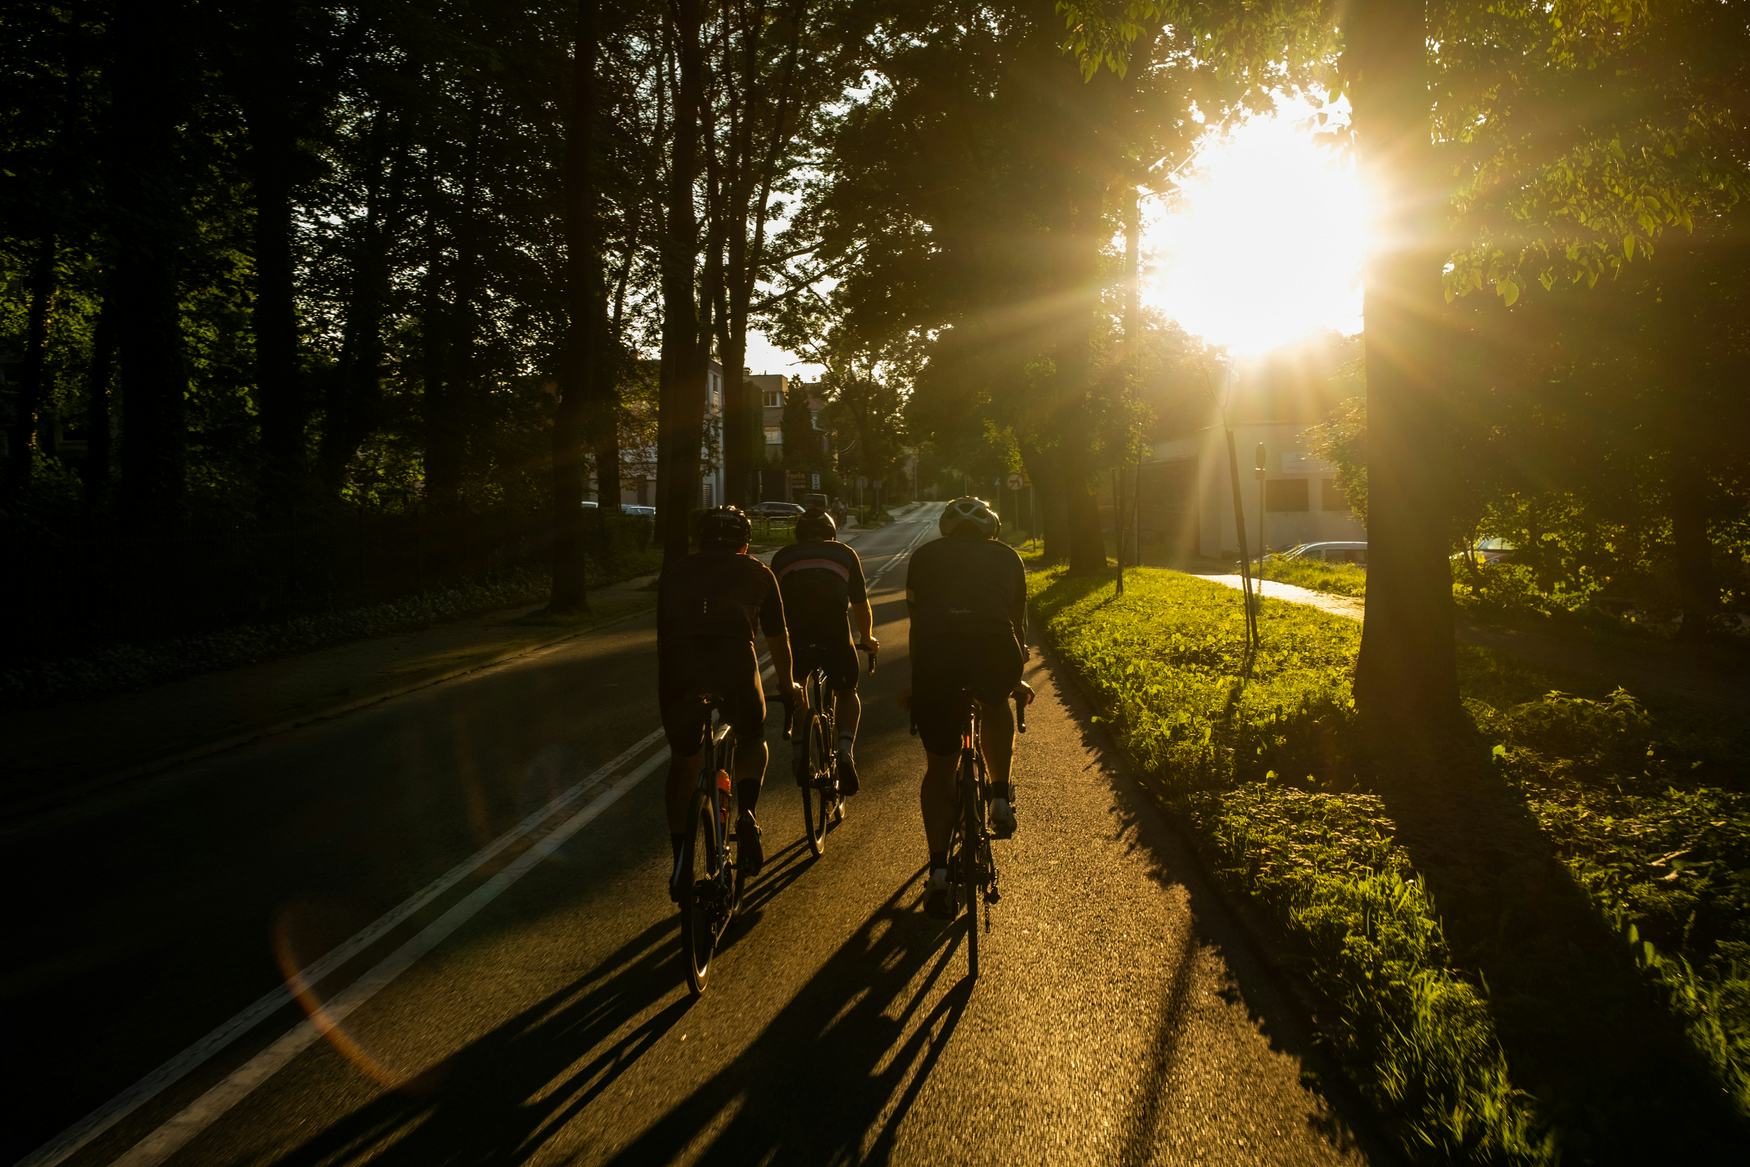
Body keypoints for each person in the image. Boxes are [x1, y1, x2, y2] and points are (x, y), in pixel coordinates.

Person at [656, 505, 802, 896]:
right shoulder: (759, 572)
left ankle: (681, 862)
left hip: (680, 667)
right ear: (745, 543)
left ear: (699, 539)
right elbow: (779, 638)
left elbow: (664, 634)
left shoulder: (675, 573)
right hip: (735, 662)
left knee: (684, 760)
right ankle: (748, 813)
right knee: (751, 735)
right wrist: (787, 685)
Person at [905, 496, 1033, 917]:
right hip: (994, 651)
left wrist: (917, 682)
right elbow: (1016, 622)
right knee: (995, 703)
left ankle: (939, 871)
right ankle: (999, 796)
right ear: (990, 528)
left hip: (935, 659)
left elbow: (916, 620)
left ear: (947, 527)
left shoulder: (923, 557)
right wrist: (1015, 676)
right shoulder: (1008, 557)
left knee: (940, 769)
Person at [771, 506, 879, 801]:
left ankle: (800, 750)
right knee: (847, 691)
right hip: (834, 630)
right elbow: (860, 603)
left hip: (797, 632)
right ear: (831, 532)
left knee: (796, 688)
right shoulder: (844, 553)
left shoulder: (782, 557)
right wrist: (867, 637)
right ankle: (844, 749)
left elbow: (773, 608)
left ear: (798, 534)